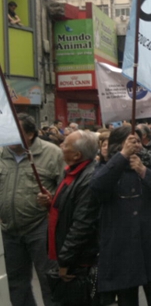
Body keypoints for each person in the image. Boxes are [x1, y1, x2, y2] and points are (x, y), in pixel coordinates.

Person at [90, 126, 151, 306]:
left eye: (138, 141)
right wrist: (122, 157)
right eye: (130, 142)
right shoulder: (106, 167)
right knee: (126, 301)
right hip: (122, 249)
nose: (136, 146)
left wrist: (144, 172)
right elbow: (97, 188)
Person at [0, 113, 64, 306]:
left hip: (40, 226)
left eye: (14, 131)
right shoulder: (2, 153)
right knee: (17, 283)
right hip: (10, 229)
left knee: (48, 280)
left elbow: (66, 192)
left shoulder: (52, 153)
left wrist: (52, 200)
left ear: (29, 134)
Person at [38, 131, 101, 306]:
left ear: (76, 155)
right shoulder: (71, 173)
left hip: (78, 264)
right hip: (65, 255)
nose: (61, 147)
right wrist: (51, 203)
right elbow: (68, 210)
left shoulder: (88, 179)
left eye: (65, 145)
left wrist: (66, 261)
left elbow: (82, 224)